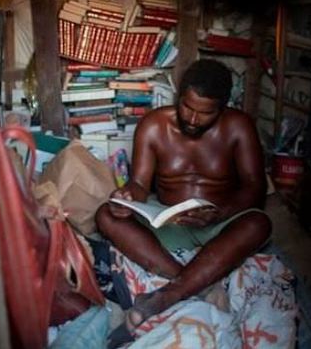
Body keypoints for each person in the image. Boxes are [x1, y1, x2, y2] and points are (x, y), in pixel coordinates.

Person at [95, 59, 271, 344]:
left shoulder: (239, 126)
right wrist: (126, 197)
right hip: (168, 222)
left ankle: (166, 295)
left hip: (219, 224)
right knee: (106, 215)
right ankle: (194, 284)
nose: (192, 119)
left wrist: (220, 213)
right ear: (179, 97)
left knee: (259, 223)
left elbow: (255, 188)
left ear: (223, 107)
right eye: (187, 107)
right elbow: (139, 184)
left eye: (205, 113)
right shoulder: (154, 125)